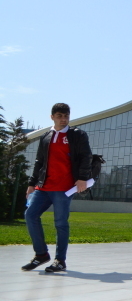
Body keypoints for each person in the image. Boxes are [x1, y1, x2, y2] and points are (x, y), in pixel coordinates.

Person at [22, 103, 92, 272]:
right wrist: (32, 183)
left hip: (64, 188)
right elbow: (40, 161)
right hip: (44, 187)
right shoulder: (46, 136)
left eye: (66, 116)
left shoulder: (77, 135)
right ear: (52, 116)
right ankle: (41, 255)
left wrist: (82, 178)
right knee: (30, 215)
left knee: (60, 223)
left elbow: (86, 156)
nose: (63, 119)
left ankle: (60, 260)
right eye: (60, 116)